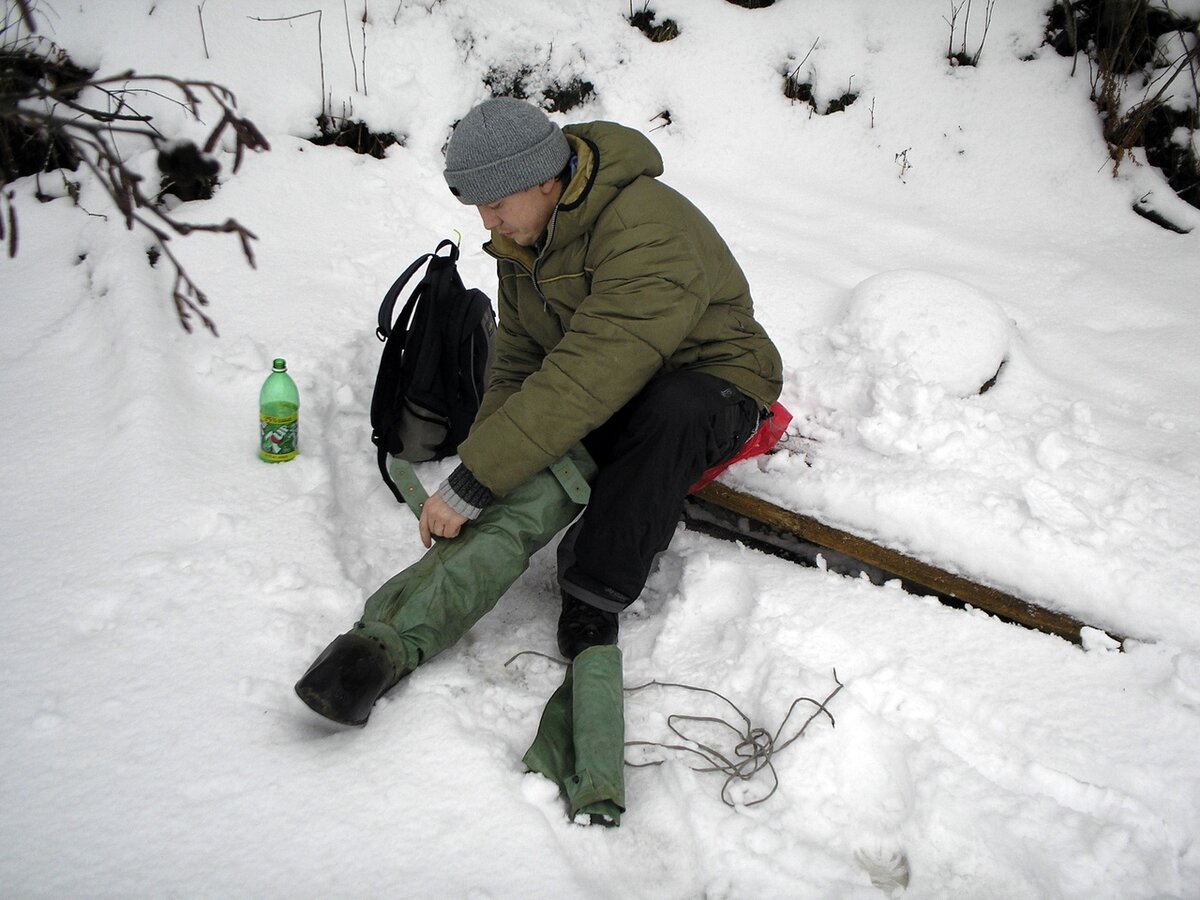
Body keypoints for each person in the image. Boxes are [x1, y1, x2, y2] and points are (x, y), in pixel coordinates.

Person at [296, 97, 782, 731]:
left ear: (549, 180)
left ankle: (595, 591)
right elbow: (522, 358)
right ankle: (382, 645)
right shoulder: (524, 236)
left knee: (667, 416)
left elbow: (589, 373)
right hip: (615, 378)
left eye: (498, 204)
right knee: (533, 476)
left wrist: (478, 476)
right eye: (479, 207)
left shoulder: (649, 229)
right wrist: (486, 460)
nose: (488, 221)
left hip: (716, 380)